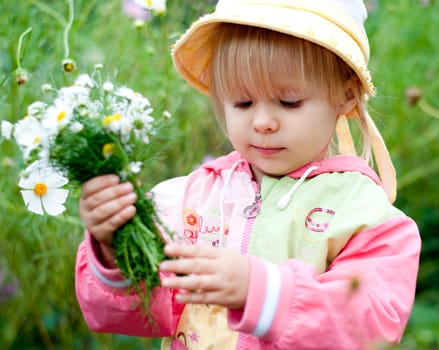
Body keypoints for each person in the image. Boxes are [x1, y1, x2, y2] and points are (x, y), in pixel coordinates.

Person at [75, 0, 421, 349]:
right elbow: (138, 311)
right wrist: (112, 247)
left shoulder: (362, 213)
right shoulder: (192, 200)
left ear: (346, 95)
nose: (262, 123)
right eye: (242, 103)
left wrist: (262, 292)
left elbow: (372, 324)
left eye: (289, 102)